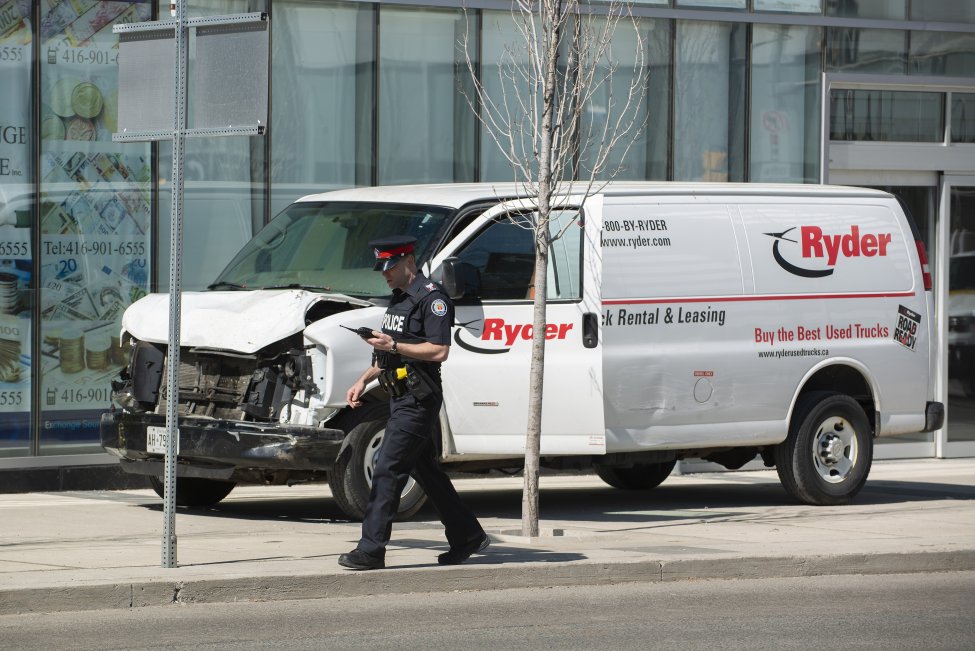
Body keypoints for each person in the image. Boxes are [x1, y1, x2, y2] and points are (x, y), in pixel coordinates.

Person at [338, 235, 489, 571]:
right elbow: (389, 350)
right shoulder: (400, 300)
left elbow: (438, 350)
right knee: (427, 473)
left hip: (418, 400)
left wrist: (393, 346)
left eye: (389, 266)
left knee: (387, 469)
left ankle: (371, 548)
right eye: (381, 267)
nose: (384, 273)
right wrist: (364, 379)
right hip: (398, 395)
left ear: (408, 261)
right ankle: (467, 535)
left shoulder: (432, 299)